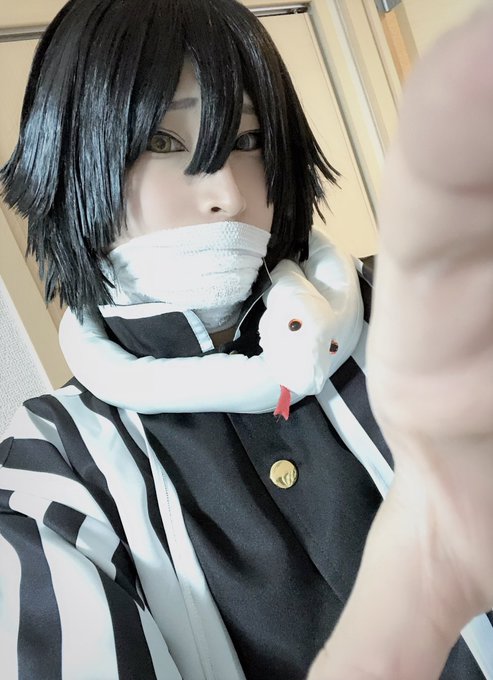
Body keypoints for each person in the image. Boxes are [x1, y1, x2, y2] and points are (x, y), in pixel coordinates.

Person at [0, 1, 491, 679]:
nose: (227, 194)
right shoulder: (51, 465)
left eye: (250, 140)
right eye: (163, 142)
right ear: (70, 161)